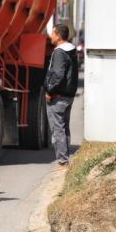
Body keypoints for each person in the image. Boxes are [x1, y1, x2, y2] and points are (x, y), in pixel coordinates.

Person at [45, 23, 79, 167]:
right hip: (69, 95)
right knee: (65, 127)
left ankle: (63, 160)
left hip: (58, 97)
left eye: (52, 33)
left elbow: (57, 75)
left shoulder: (59, 52)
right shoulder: (72, 49)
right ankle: (66, 157)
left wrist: (49, 91)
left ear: (58, 36)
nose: (50, 36)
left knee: (58, 128)